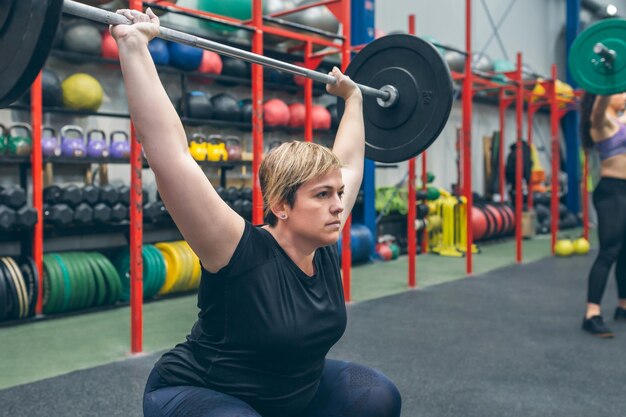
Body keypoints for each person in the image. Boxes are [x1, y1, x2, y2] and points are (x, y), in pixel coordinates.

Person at [110, 8, 402, 417]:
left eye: (338, 193)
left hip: (291, 390)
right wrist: (134, 45)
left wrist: (353, 99)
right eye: (321, 195)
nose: (339, 204)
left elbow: (350, 163)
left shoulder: (322, 237)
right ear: (282, 205)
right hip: (201, 391)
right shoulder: (237, 249)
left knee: (377, 397)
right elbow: (170, 156)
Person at [579, 91, 626, 338]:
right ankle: (591, 314)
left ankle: (623, 305)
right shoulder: (600, 122)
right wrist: (606, 81)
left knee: (625, 251)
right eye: (621, 90)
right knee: (609, 250)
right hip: (612, 192)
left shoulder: (621, 120)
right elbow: (600, 105)